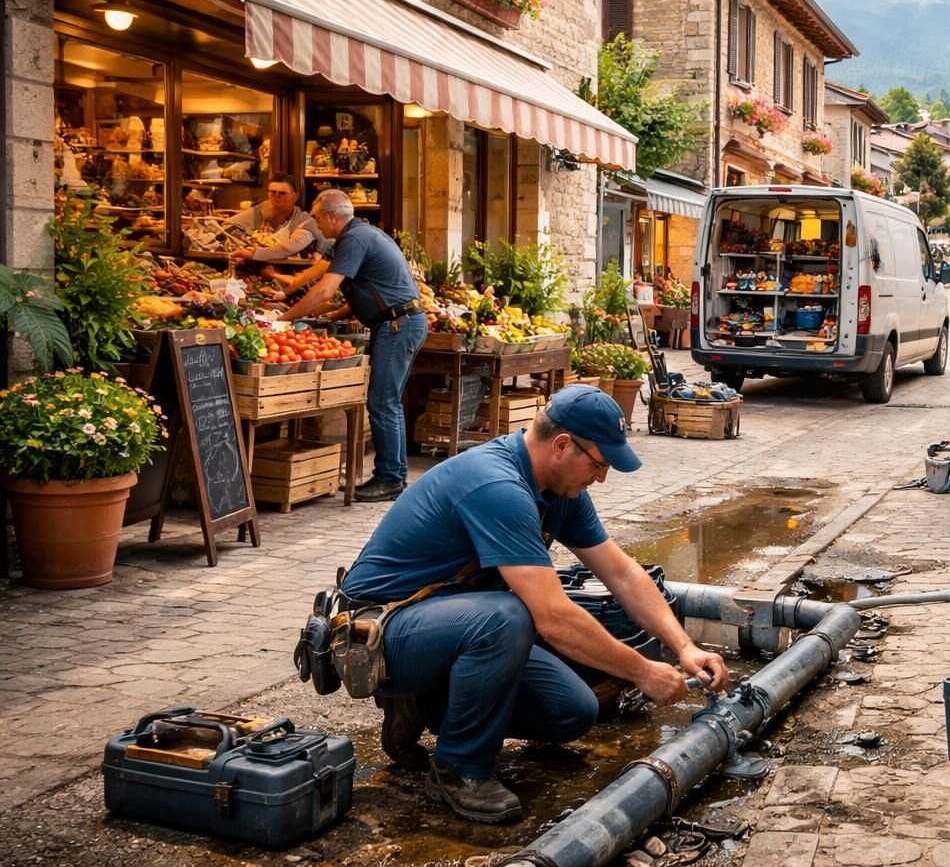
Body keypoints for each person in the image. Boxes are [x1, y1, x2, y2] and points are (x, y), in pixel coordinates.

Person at [337, 386, 729, 823]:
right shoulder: (497, 485)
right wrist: (643, 672)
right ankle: (459, 769)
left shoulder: (561, 493)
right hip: (377, 632)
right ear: (563, 445)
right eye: (598, 465)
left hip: (451, 623)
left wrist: (682, 647)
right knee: (509, 617)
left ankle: (425, 702)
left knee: (573, 713)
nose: (600, 479)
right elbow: (555, 620)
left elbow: (622, 574)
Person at [280, 189, 425, 502]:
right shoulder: (363, 234)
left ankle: (389, 479)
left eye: (318, 218)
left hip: (397, 325)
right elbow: (372, 288)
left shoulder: (353, 239)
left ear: (332, 216)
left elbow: (324, 290)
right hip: (402, 322)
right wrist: (336, 312)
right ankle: (394, 476)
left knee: (382, 402)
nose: (317, 225)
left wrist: (285, 319)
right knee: (389, 401)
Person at [227, 172, 328, 266]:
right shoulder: (260, 211)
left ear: (295, 196)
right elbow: (228, 226)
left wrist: (253, 254)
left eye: (282, 193)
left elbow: (287, 249)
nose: (277, 196)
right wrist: (242, 247)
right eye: (273, 192)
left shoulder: (305, 221)